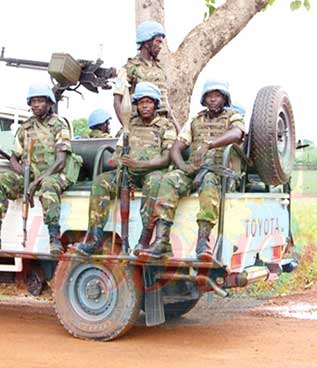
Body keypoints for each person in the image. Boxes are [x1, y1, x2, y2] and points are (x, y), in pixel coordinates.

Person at [140, 80, 244, 261]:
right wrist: (182, 166)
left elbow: (237, 134)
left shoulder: (233, 116)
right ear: (204, 99)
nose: (213, 100)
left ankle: (203, 242)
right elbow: (176, 148)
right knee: (170, 178)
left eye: (217, 96)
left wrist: (210, 144)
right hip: (195, 170)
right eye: (209, 96)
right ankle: (162, 241)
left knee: (210, 180)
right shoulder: (195, 120)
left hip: (220, 173)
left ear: (224, 98)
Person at [0, 84, 74, 253]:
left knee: (48, 187)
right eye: (33, 102)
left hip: (54, 174)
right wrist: (23, 175)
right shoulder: (26, 127)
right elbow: (13, 158)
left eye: (40, 101)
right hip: (30, 176)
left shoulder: (58, 125)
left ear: (49, 103)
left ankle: (54, 239)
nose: (36, 105)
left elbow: (60, 161)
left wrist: (35, 182)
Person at [73, 82, 175, 256]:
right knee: (101, 181)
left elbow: (167, 158)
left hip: (151, 172)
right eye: (141, 102)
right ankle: (94, 239)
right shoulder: (129, 126)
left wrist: (140, 165)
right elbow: (118, 151)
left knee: (156, 181)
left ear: (156, 104)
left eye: (149, 102)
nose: (144, 106)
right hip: (127, 173)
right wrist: (118, 160)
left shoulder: (166, 126)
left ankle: (145, 240)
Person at [114, 20, 179, 132]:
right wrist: (127, 129)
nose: (160, 46)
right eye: (158, 42)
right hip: (140, 128)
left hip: (163, 127)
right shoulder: (129, 69)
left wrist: (178, 129)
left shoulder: (160, 69)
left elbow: (166, 105)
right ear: (147, 42)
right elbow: (117, 102)